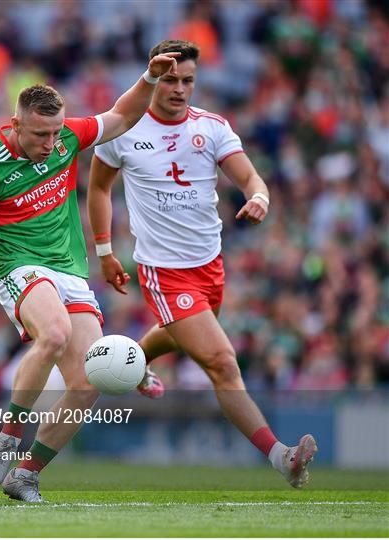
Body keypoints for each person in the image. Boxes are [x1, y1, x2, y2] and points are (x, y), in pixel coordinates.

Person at [0, 51, 180, 503]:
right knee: (56, 334)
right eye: (40, 133)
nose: (51, 142)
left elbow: (122, 114)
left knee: (89, 382)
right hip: (20, 269)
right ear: (15, 124)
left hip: (69, 271)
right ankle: (8, 438)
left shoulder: (65, 137)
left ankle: (27, 473)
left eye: (55, 131)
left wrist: (148, 77)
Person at [88, 39, 317, 488]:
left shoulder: (212, 128)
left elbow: (250, 176)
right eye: (170, 79)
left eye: (187, 80)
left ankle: (132, 362)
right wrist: (105, 250)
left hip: (210, 264)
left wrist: (259, 196)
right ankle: (281, 456)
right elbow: (98, 190)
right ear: (154, 75)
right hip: (162, 269)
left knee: (186, 334)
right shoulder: (125, 129)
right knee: (221, 361)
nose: (179, 89)